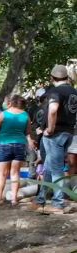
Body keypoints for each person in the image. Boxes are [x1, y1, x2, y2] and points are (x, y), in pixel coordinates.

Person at [40, 64, 76, 212]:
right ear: (67, 77)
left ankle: (58, 203)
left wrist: (50, 128)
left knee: (56, 170)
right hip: (69, 132)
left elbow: (53, 110)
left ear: (52, 78)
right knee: (48, 167)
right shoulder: (74, 92)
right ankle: (41, 198)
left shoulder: (55, 91)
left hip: (56, 134)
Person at [0, 94, 33, 208]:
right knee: (15, 173)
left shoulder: (2, 115)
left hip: (4, 144)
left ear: (10, 102)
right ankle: (14, 199)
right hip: (20, 145)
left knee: (2, 174)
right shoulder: (25, 115)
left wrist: (1, 135)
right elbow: (28, 131)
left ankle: (0, 199)